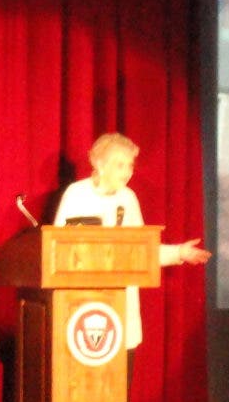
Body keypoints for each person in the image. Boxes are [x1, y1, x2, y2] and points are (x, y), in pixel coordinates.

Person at [54, 132, 211, 351]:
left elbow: (140, 251)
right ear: (100, 163)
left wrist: (179, 253)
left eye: (130, 165)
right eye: (120, 165)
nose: (128, 172)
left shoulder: (128, 199)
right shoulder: (76, 194)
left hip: (121, 307)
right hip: (82, 307)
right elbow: (57, 249)